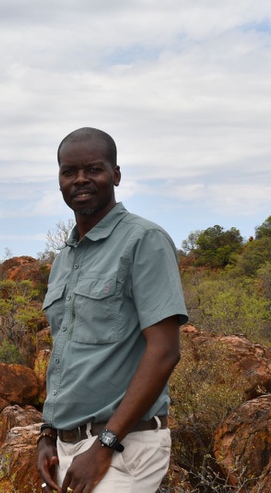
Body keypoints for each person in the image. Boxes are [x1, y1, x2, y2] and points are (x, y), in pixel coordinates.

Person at [37, 127, 188, 492]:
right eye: (69, 171)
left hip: (123, 447)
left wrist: (106, 443)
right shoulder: (64, 259)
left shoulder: (143, 240)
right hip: (67, 448)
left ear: (116, 174)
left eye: (94, 169)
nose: (80, 180)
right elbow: (66, 354)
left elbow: (165, 351)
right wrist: (47, 433)